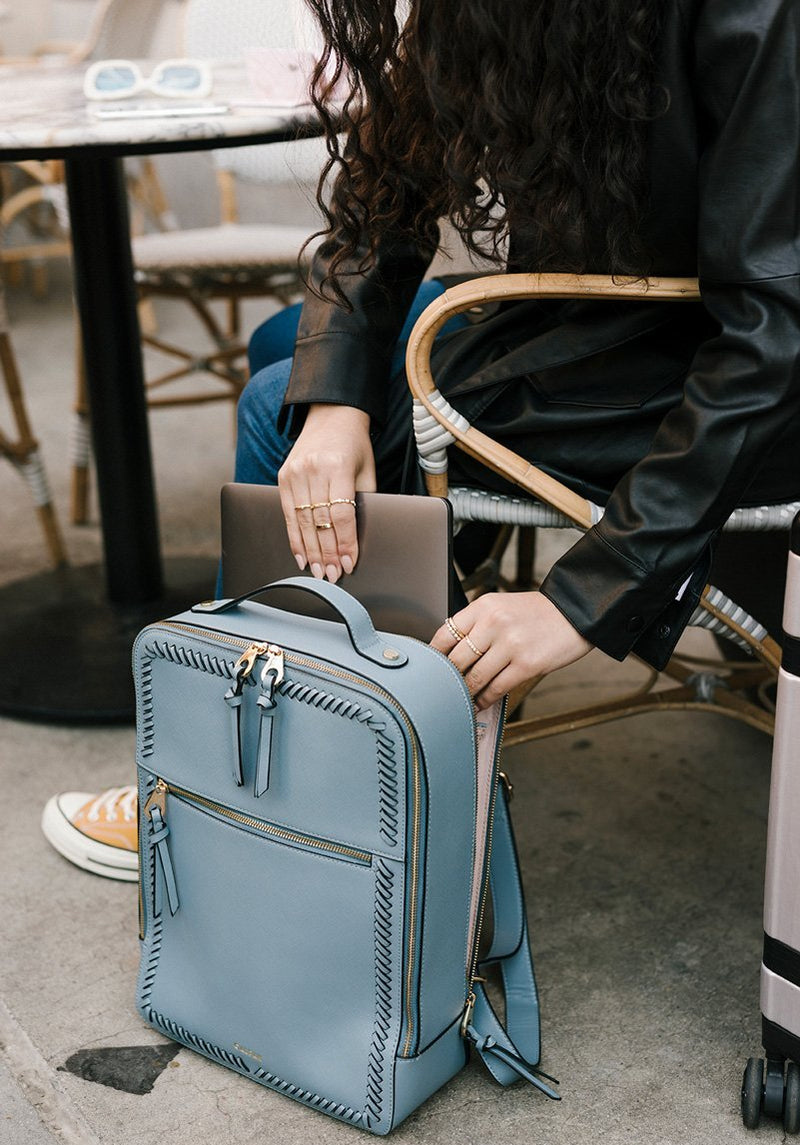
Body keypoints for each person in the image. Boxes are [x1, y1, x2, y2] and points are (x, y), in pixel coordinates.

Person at [42, 0, 800, 877]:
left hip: (722, 376)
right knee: (295, 361)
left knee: (268, 403)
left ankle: (238, 791)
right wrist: (335, 407)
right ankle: (384, 691)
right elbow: (381, 197)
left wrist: (581, 598)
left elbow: (774, 332)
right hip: (606, 327)